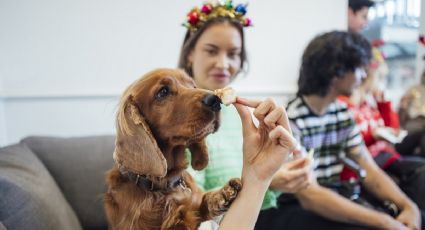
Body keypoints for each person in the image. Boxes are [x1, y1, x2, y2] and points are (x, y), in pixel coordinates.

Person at [256, 31, 422, 230]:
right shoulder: (291, 119)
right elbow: (310, 195)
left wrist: (408, 205)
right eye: (360, 69)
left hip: (332, 197)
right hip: (292, 207)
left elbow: (370, 170)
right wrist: (385, 222)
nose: (363, 77)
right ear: (337, 72)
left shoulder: (341, 113)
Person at [177, 1, 312, 228]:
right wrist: (266, 182)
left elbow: (262, 183)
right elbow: (186, 202)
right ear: (190, 53)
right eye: (211, 51)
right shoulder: (176, 119)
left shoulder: (243, 113)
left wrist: (285, 170)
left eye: (233, 54)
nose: (223, 64)